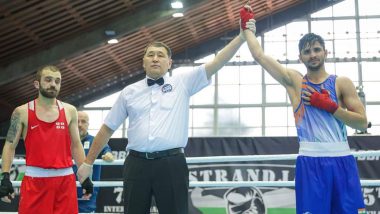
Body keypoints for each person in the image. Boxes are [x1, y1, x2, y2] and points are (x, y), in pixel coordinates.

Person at [76, 19, 254, 213]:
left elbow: (217, 62)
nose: (155, 58)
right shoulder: (129, 92)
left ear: (169, 63)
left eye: (160, 55)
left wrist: (242, 37)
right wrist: (88, 162)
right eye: (150, 55)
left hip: (172, 164)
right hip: (136, 165)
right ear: (143, 62)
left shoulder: (183, 82)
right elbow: (108, 128)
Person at [241, 4, 368, 214]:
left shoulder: (342, 83)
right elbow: (260, 56)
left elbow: (362, 122)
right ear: (301, 57)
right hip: (311, 163)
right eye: (307, 51)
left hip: (342, 161)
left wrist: (332, 107)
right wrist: (247, 28)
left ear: (326, 52)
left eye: (317, 49)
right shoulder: (295, 82)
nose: (313, 54)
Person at [0, 65, 93, 213]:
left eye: (57, 81)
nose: (53, 84)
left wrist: (85, 177)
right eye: (48, 80)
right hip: (35, 182)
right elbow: (10, 145)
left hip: (65, 182)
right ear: (37, 84)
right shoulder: (21, 112)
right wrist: (5, 176)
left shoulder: (70, 111)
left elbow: (76, 145)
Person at [75, 111, 114, 213]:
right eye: (77, 121)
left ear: (88, 124)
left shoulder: (95, 141)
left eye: (83, 122)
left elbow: (107, 151)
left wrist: (108, 155)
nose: (79, 125)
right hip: (66, 193)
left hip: (87, 196)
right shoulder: (65, 141)